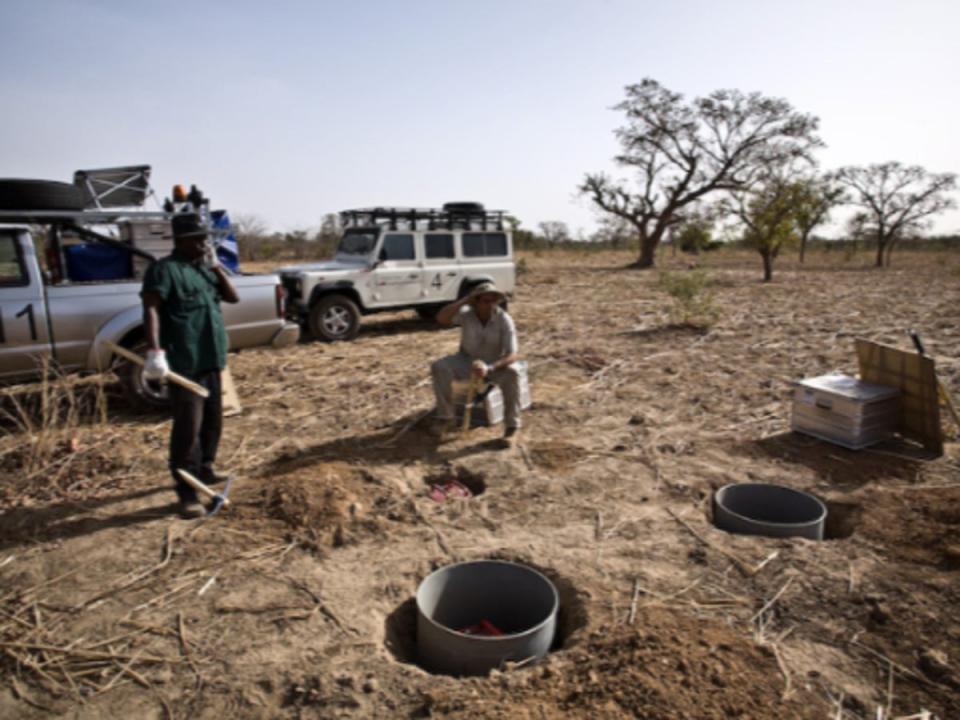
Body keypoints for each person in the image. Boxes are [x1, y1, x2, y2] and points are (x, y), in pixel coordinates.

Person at [140, 213, 239, 518]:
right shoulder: (164, 271)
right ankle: (186, 491)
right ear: (180, 240)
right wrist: (155, 351)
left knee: (213, 421)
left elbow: (232, 297)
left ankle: (205, 469)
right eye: (197, 238)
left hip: (211, 358)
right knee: (188, 428)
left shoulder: (204, 269)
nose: (203, 243)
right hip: (185, 362)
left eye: (206, 238)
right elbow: (152, 309)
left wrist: (216, 266)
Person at [431, 282, 522, 448]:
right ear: (476, 302)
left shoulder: (504, 319)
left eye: (493, 301)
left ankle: (511, 427)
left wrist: (490, 368)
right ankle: (446, 418)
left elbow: (512, 354)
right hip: (466, 360)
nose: (489, 305)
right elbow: (441, 318)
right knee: (439, 366)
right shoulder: (466, 314)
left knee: (513, 373)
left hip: (494, 364)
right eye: (485, 301)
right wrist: (463, 301)